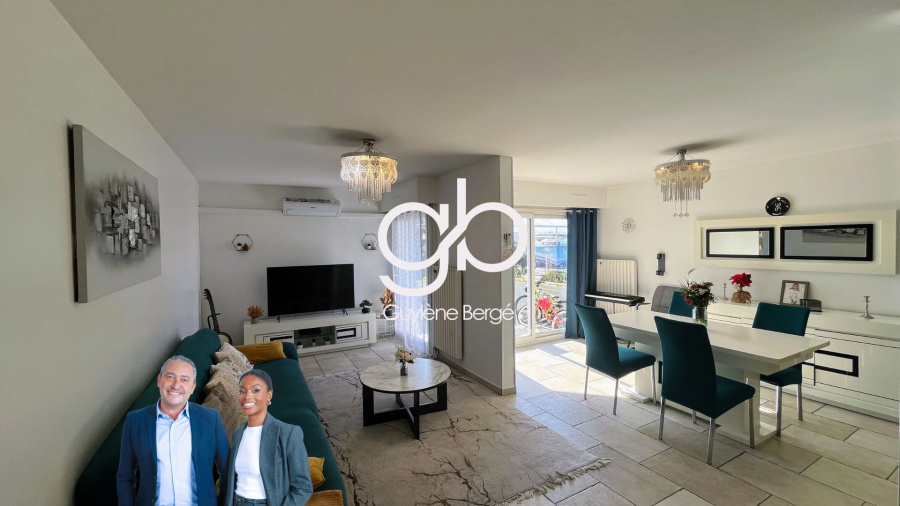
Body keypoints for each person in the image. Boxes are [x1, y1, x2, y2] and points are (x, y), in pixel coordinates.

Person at [117, 356, 230, 506]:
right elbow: (125, 476)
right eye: (170, 377)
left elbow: (227, 471)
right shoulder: (135, 421)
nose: (176, 385)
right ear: (159, 381)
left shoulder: (211, 419)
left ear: (192, 387)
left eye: (184, 379)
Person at [224, 369, 314, 506]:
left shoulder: (288, 433)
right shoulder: (238, 434)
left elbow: (303, 487)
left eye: (255, 390)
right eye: (242, 391)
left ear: (268, 395)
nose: (247, 396)